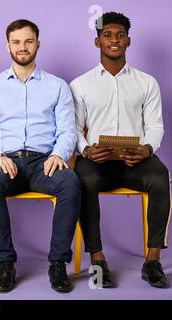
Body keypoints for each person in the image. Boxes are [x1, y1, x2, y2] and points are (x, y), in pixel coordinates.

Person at [0, 19, 81, 293]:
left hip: (43, 162)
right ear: (7, 46)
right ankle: (5, 264)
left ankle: (58, 263)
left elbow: (68, 130)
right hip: (5, 160)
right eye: (16, 42)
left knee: (70, 182)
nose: (22, 47)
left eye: (28, 41)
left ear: (38, 44)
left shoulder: (58, 86)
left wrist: (59, 154)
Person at [70, 12, 170, 288]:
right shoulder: (80, 85)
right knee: (83, 179)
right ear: (97, 41)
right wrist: (87, 149)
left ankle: (152, 260)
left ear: (128, 41)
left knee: (161, 177)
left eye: (120, 35)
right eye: (107, 35)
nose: (114, 39)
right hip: (97, 161)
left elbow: (155, 125)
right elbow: (75, 128)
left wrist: (147, 149)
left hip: (136, 159)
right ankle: (98, 260)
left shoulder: (147, 82)